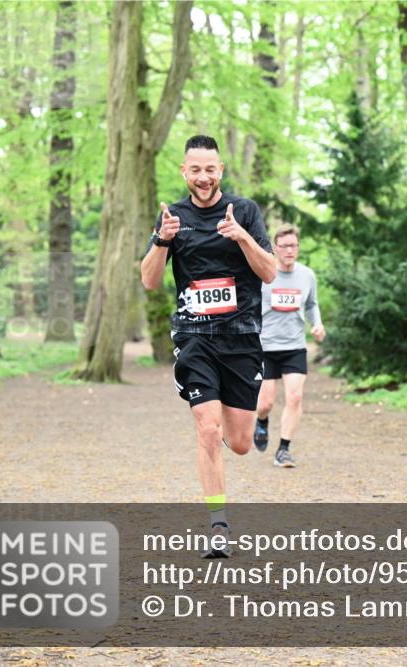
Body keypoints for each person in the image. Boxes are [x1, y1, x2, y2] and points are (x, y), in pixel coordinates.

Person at [141, 135, 275, 558]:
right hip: (194, 336)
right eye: (195, 169)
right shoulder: (172, 217)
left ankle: (242, 425)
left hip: (241, 338)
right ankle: (218, 526)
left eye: (210, 169)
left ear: (221, 171)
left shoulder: (246, 211)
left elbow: (270, 272)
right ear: (184, 172)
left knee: (237, 441)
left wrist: (241, 237)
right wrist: (162, 241)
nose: (203, 177)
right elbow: (148, 280)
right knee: (208, 428)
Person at [253, 223, 326, 468]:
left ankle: (283, 449)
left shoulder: (307, 275)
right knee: (265, 403)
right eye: (283, 246)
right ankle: (261, 421)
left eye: (293, 245)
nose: (289, 251)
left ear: (298, 247)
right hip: (264, 346)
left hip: (294, 346)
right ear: (275, 248)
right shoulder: (263, 274)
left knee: (295, 397)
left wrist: (317, 324)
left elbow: (312, 304)